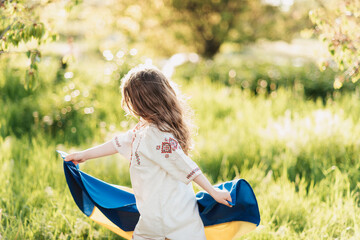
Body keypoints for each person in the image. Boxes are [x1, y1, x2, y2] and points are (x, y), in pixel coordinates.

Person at [64, 64, 233, 240]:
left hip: (165, 216)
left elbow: (185, 165)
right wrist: (83, 155)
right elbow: (117, 143)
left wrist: (213, 191)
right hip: (172, 212)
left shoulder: (156, 134)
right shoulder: (145, 129)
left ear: (140, 102)